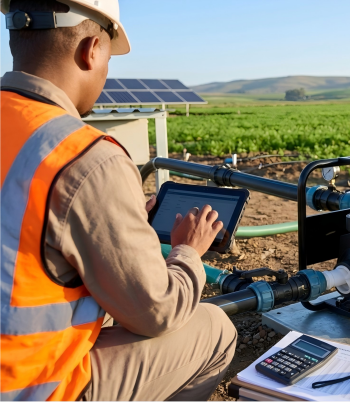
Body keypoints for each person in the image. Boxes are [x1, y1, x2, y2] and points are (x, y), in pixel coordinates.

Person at [0, 1, 237, 401]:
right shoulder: (85, 157)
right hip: (29, 387)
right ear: (91, 49)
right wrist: (187, 250)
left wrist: (118, 228)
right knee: (215, 328)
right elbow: (157, 312)